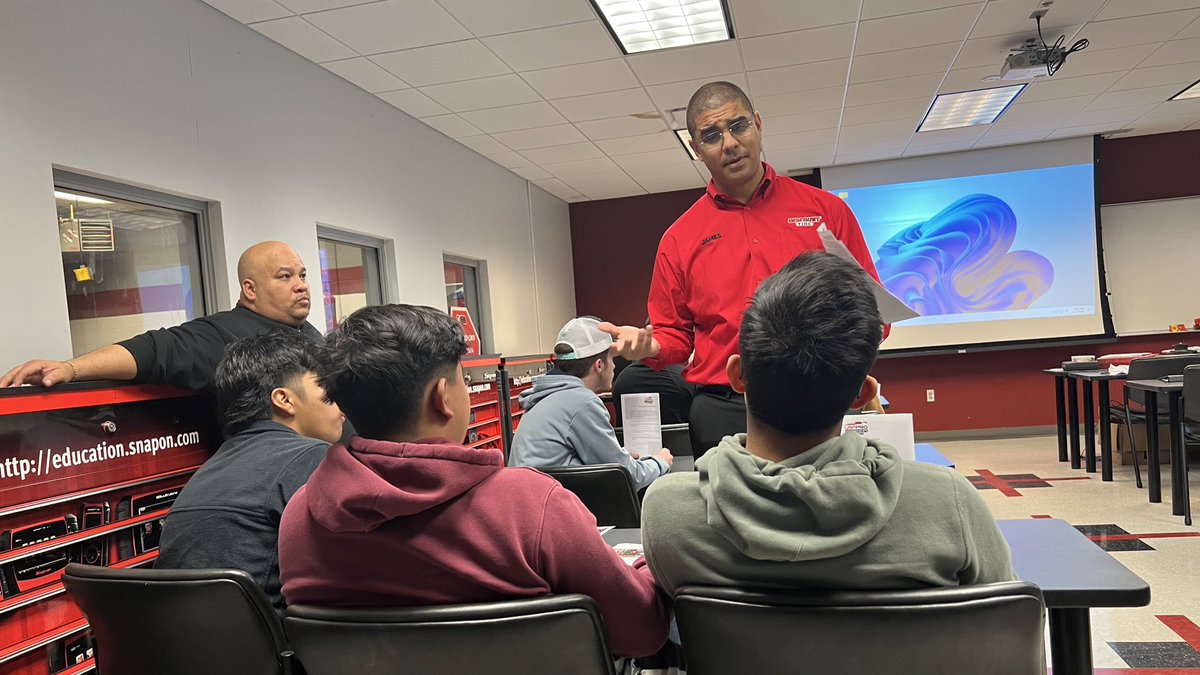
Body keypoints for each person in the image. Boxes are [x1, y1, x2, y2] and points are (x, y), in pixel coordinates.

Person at [277, 305, 669, 658]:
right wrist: (651, 564)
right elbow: (642, 633)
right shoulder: (531, 505)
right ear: (442, 398)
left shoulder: (299, 518)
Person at [641, 252, 1014, 596]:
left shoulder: (668, 514)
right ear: (863, 394)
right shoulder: (948, 504)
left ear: (737, 376)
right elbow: (1007, 629)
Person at [598, 81, 884, 458]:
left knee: (829, 511)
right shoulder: (679, 238)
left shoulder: (827, 212)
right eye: (712, 135)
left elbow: (874, 312)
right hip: (723, 408)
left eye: (738, 126)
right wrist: (649, 345)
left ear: (758, 124)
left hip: (820, 397)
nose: (729, 143)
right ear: (696, 149)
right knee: (728, 516)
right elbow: (674, 336)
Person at [156, 331, 344, 610]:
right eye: (328, 393)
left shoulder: (210, 469)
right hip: (269, 647)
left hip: (183, 647)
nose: (341, 408)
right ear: (284, 400)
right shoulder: (312, 457)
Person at [0, 241, 320, 393]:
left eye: (302, 275)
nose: (300, 286)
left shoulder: (309, 332)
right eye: (284, 277)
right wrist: (70, 369)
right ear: (249, 289)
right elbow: (152, 350)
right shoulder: (220, 335)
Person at [508, 317, 672, 492]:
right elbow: (628, 477)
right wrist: (660, 461)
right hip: (548, 510)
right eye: (612, 359)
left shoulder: (543, 399)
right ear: (599, 365)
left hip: (528, 506)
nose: (615, 365)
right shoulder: (583, 402)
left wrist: (618, 457)